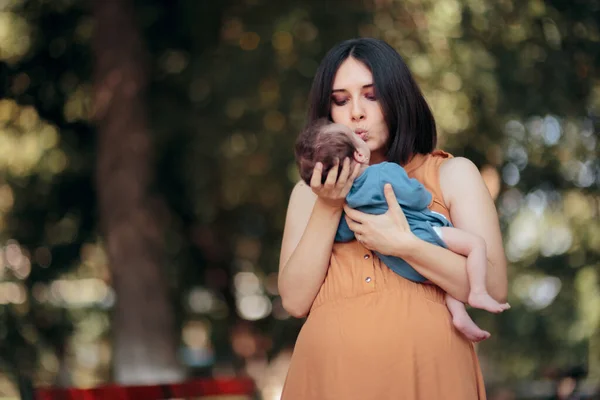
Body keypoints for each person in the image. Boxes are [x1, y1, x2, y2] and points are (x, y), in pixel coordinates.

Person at [278, 37, 508, 399]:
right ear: (327, 114)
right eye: (340, 100)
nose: (356, 113)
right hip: (329, 380)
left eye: (371, 95)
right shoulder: (308, 194)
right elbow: (294, 301)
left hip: (432, 380)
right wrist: (329, 204)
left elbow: (493, 288)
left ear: (398, 97)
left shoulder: (452, 173)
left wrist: (407, 245)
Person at [294, 119, 510, 342]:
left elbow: (344, 234)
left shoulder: (345, 202)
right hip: (425, 235)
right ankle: (477, 292)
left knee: (442, 283)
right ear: (359, 155)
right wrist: (424, 196)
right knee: (476, 245)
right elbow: (416, 197)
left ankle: (459, 315)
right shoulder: (384, 172)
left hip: (397, 265)